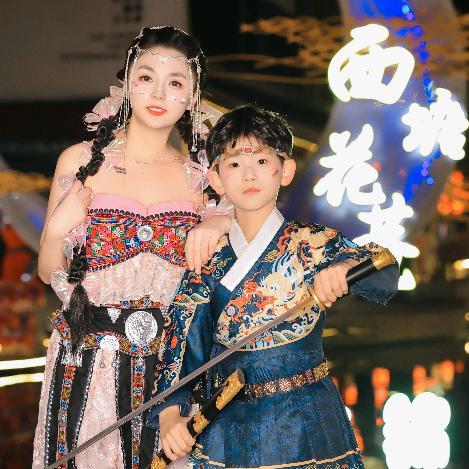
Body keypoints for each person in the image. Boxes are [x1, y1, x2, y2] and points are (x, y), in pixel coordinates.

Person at [148, 105, 399, 468]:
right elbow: (181, 346)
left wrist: (344, 268)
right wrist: (171, 416)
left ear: (286, 170)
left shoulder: (311, 243)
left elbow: (383, 271)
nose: (249, 174)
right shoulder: (209, 261)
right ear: (216, 179)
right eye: (234, 164)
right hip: (228, 428)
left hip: (308, 420)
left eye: (263, 161)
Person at [33, 26, 232, 468]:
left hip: (171, 372)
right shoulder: (81, 161)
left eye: (175, 82)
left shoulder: (202, 178)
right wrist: (58, 227)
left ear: (192, 97)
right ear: (126, 83)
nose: (159, 93)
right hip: (88, 364)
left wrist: (221, 220)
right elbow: (49, 271)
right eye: (146, 77)